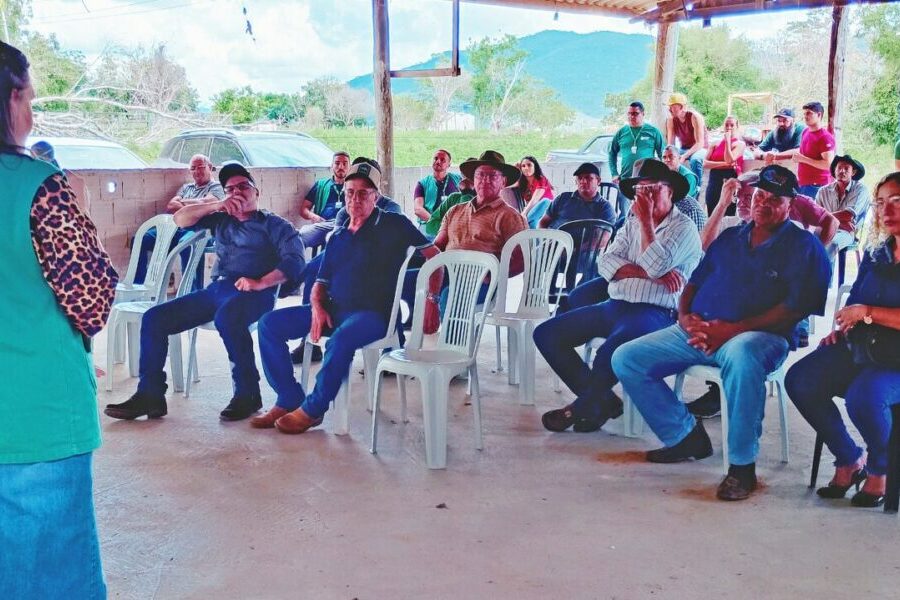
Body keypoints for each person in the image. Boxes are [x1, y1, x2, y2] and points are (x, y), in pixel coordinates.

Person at [611, 164, 831, 501]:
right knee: (628, 357)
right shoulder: (731, 236)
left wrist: (732, 330)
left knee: (743, 359)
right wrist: (685, 318)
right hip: (700, 329)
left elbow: (794, 309)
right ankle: (685, 436)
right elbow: (693, 282)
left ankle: (741, 467)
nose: (763, 203)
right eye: (759, 196)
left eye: (775, 199)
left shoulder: (804, 247)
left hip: (758, 336)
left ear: (791, 204)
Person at [0, 40, 118, 599]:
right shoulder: (40, 188)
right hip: (33, 419)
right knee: (52, 580)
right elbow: (91, 300)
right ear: (14, 99)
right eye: (31, 99)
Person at [105, 162, 305, 422]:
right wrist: (217, 205)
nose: (237, 193)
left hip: (257, 292)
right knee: (155, 318)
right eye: (230, 189)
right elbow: (179, 219)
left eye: (243, 187)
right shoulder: (220, 218)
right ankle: (150, 394)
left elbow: (295, 261)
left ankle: (248, 393)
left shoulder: (275, 225)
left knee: (228, 317)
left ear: (256, 192)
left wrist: (262, 282)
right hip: (218, 290)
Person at [252, 161, 442, 433]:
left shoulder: (394, 223)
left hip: (374, 314)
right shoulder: (338, 235)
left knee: (341, 339)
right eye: (350, 192)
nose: (355, 198)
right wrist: (316, 306)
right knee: (269, 324)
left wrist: (431, 301)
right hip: (334, 309)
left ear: (376, 196)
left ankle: (313, 410)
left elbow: (433, 257)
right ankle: (288, 397)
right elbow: (320, 280)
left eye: (364, 193)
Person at [535, 159, 701, 433]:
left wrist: (647, 227)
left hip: (655, 313)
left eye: (652, 189)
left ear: (670, 191)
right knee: (546, 334)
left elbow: (656, 264)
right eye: (640, 190)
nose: (644, 197)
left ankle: (580, 408)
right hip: (615, 304)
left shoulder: (683, 228)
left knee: (608, 354)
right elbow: (606, 263)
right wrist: (650, 274)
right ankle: (602, 402)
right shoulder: (631, 224)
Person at [786, 172, 900, 508]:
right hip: (864, 347)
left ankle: (882, 468)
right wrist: (846, 323)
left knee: (863, 398)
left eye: (896, 201)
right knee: (802, 380)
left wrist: (867, 313)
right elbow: (858, 297)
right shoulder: (879, 251)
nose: (886, 210)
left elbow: (866, 307)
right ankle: (850, 459)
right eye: (880, 203)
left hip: (894, 359)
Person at [690, 166, 838, 418]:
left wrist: (815, 250)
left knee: (742, 349)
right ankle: (712, 398)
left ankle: (729, 404)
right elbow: (704, 248)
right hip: (723, 317)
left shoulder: (792, 231)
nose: (749, 203)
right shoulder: (731, 226)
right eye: (746, 197)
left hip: (764, 326)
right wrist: (722, 203)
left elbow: (830, 222)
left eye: (754, 196)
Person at [290, 157, 404, 364]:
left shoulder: (392, 208)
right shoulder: (344, 211)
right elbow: (337, 241)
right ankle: (310, 338)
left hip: (379, 262)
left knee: (388, 281)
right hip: (345, 260)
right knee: (313, 270)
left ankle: (392, 347)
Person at [433, 150, 527, 310]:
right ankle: (410, 329)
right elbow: (437, 246)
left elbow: (522, 259)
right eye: (480, 175)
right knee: (403, 280)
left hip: (481, 281)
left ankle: (456, 335)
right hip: (447, 272)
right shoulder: (455, 210)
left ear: (503, 182)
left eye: (493, 176)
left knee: (450, 296)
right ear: (473, 180)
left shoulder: (510, 216)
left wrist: (492, 276)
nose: (485, 180)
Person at [133, 153, 224, 289]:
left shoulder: (216, 187)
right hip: (175, 228)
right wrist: (195, 207)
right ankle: (139, 287)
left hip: (199, 229)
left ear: (210, 167)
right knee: (140, 239)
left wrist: (183, 204)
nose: (197, 171)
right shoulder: (186, 187)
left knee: (187, 245)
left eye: (201, 167)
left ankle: (191, 293)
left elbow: (208, 202)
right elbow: (170, 206)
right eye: (193, 168)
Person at [815, 154, 871, 255]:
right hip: (826, 228)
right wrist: (841, 222)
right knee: (805, 242)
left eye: (846, 168)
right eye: (839, 168)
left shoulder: (860, 190)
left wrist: (825, 218)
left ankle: (825, 271)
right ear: (834, 170)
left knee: (830, 245)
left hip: (846, 232)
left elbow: (848, 215)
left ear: (853, 172)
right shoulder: (823, 191)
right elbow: (815, 217)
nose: (842, 171)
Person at [539, 162, 615, 229]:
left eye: (588, 178)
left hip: (582, 245)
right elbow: (543, 222)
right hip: (552, 241)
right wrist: (544, 239)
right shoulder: (562, 198)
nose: (583, 181)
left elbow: (602, 240)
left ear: (598, 181)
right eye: (580, 178)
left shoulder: (605, 207)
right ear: (576, 181)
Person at [298, 151, 350, 249]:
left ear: (349, 167)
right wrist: (313, 217)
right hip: (323, 225)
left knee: (336, 236)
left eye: (345, 164)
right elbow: (303, 209)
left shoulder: (353, 187)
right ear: (331, 166)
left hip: (345, 226)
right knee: (299, 237)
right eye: (337, 163)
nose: (341, 167)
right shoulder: (321, 185)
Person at [608, 101, 664, 186]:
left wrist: (662, 175)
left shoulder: (653, 131)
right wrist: (614, 173)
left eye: (635, 113)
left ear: (643, 113)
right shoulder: (621, 132)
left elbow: (662, 154)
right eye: (629, 113)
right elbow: (612, 153)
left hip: (647, 180)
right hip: (625, 179)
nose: (631, 116)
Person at [703, 115, 745, 215]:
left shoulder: (740, 144)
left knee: (728, 213)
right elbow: (705, 164)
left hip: (729, 178)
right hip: (714, 179)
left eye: (732, 125)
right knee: (712, 210)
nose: (729, 127)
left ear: (737, 126)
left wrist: (727, 141)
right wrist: (726, 164)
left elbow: (729, 158)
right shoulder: (714, 144)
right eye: (726, 125)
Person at [793, 101, 836, 198]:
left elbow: (828, 164)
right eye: (804, 113)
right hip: (803, 183)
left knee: (812, 213)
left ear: (819, 114)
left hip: (817, 186)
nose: (805, 116)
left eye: (809, 113)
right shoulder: (805, 131)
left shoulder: (825, 137)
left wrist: (802, 159)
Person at [413, 148, 461, 233]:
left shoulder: (457, 180)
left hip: (452, 226)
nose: (438, 161)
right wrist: (436, 223)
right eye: (436, 158)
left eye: (443, 160)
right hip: (428, 225)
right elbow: (418, 209)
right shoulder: (423, 183)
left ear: (449, 165)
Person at [664, 93, 707, 187]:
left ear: (682, 107)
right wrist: (668, 155)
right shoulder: (671, 120)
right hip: (684, 148)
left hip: (700, 148)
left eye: (673, 106)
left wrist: (683, 156)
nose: (670, 109)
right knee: (668, 158)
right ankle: (672, 185)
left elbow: (700, 143)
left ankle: (696, 187)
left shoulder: (694, 117)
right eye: (669, 106)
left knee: (695, 160)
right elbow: (670, 144)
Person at [661, 145, 707, 232]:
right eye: (664, 157)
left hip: (686, 216)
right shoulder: (662, 174)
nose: (667, 160)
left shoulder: (688, 177)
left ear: (679, 158)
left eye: (671, 157)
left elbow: (683, 201)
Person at [514, 155, 555, 228]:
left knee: (530, 218)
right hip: (534, 209)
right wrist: (515, 169)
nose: (526, 168)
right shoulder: (522, 182)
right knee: (529, 219)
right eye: (523, 166)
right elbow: (506, 184)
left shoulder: (541, 179)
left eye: (529, 165)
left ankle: (534, 237)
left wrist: (524, 213)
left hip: (547, 206)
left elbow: (535, 200)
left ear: (535, 167)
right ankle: (533, 237)